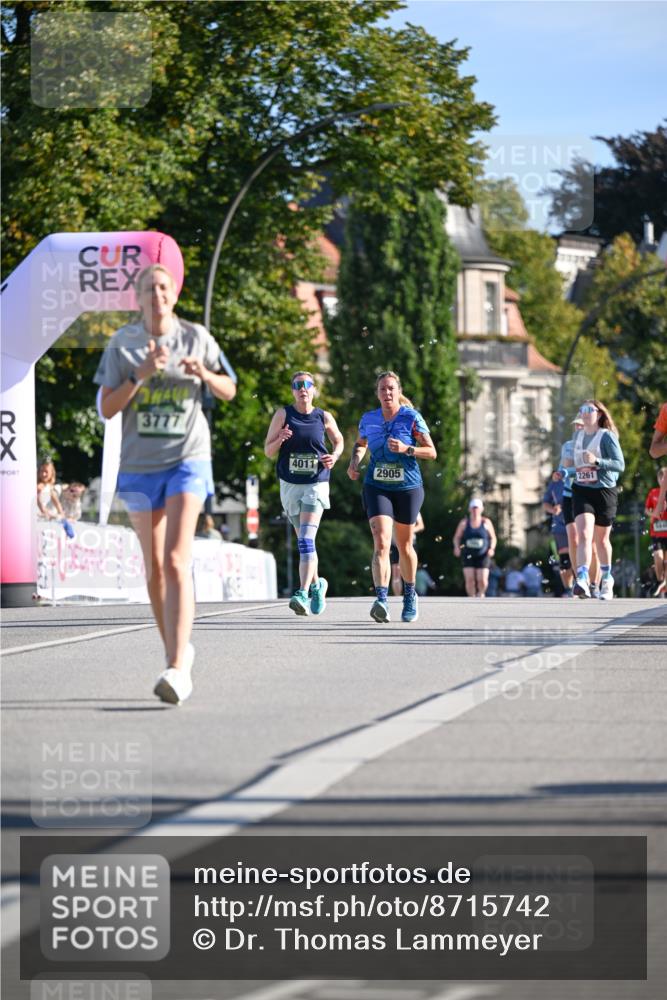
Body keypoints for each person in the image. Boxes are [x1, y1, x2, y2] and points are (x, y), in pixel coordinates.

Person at [94, 263, 237, 705]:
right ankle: (177, 650)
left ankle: (177, 667)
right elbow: (107, 408)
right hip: (139, 466)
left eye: (162, 286)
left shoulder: (197, 337)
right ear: (137, 298)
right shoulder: (123, 344)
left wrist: (204, 376)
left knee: (177, 559)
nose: (156, 293)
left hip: (187, 460)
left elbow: (229, 388)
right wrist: (140, 375)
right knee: (153, 567)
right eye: (147, 288)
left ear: (174, 294)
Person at [347, 371, 436, 623]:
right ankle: (382, 599)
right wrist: (354, 462)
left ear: (398, 392)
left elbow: (432, 452)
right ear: (377, 393)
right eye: (382, 389)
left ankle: (409, 594)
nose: (387, 393)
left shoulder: (411, 417)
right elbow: (361, 443)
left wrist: (408, 448)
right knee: (382, 541)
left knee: (404, 545)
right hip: (377, 485)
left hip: (408, 487)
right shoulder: (369, 418)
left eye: (391, 389)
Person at [264, 371, 343, 616]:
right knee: (304, 543)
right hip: (290, 484)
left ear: (314, 390)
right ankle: (318, 585)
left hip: (316, 483)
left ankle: (302, 592)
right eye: (298, 385)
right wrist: (281, 438)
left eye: (307, 384)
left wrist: (335, 456)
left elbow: (338, 440)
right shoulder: (283, 414)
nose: (303, 389)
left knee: (307, 540)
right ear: (293, 391)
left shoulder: (323, 416)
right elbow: (268, 451)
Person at [571, 400, 625, 600]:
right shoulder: (577, 436)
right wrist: (564, 472)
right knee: (584, 534)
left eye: (589, 410)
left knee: (601, 540)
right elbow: (578, 467)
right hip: (582, 489)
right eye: (582, 409)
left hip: (604, 491)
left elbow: (620, 465)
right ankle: (582, 578)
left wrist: (597, 461)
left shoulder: (607, 436)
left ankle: (607, 578)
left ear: (599, 414)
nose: (584, 413)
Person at [453, 498, 497, 598]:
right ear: (469, 509)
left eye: (477, 508)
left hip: (483, 554)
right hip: (468, 554)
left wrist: (492, 548)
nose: (475, 510)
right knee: (470, 579)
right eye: (473, 508)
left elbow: (493, 538)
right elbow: (456, 537)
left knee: (482, 580)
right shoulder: (464, 523)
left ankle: (481, 594)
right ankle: (472, 597)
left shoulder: (486, 522)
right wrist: (456, 547)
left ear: (481, 509)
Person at [543, 470, 574, 596]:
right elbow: (545, 503)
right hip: (560, 525)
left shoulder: (577, 478)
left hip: (576, 523)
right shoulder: (555, 484)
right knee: (565, 558)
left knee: (577, 555)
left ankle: (577, 585)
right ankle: (568, 588)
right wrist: (552, 509)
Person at [645, 467, 667, 597]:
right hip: (657, 533)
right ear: (658, 479)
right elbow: (647, 510)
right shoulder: (653, 492)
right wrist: (653, 513)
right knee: (658, 558)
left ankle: (664, 585)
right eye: (662, 478)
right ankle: (659, 581)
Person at [391, 512, 424, 596]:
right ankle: (397, 597)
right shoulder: (389, 508)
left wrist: (407, 530)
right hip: (395, 544)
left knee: (409, 572)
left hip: (410, 544)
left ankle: (410, 595)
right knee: (396, 572)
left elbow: (421, 525)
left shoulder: (412, 506)